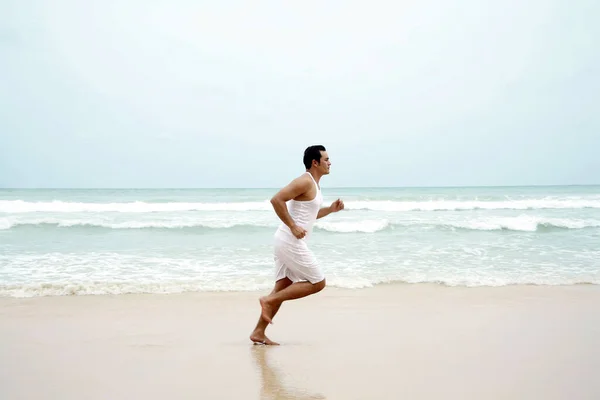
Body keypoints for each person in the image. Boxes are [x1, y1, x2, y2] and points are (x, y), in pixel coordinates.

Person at [250, 145, 344, 345]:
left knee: (283, 287)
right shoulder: (304, 181)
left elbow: (310, 215)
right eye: (326, 159)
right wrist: (292, 226)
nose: (330, 162)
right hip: (289, 241)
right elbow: (277, 200)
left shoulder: (315, 185)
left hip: (286, 241)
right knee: (318, 282)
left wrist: (330, 210)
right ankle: (268, 301)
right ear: (315, 162)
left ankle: (259, 332)